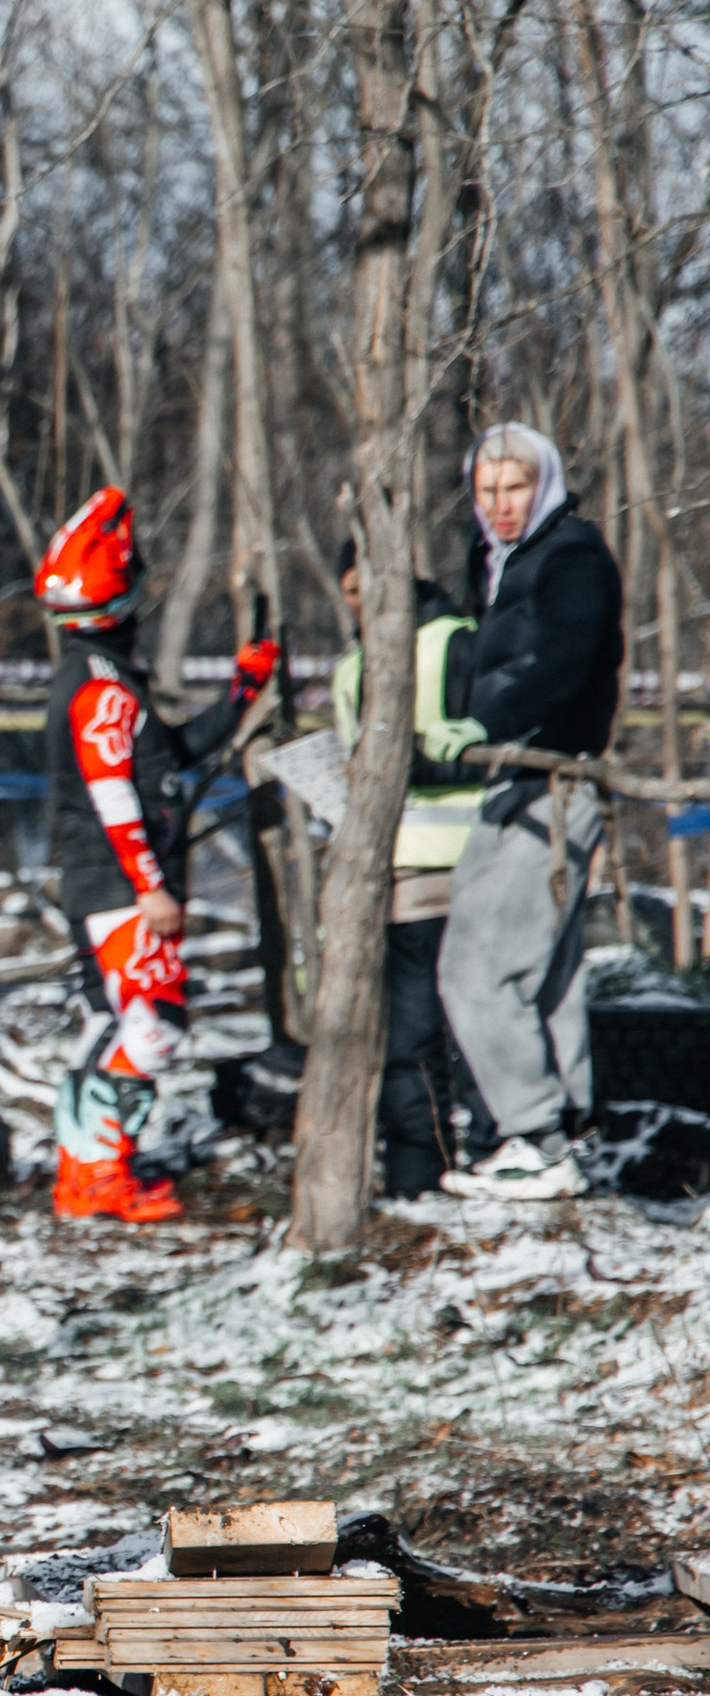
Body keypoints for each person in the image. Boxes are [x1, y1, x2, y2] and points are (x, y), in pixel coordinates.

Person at [37, 488, 279, 1223]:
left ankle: (85, 1174)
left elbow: (166, 759)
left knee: (112, 1024)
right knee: (153, 1024)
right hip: (118, 888)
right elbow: (116, 796)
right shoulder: (101, 692)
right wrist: (151, 887)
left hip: (107, 885)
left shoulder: (105, 684)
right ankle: (102, 1173)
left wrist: (241, 695)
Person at [435, 422, 624, 1200]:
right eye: (487, 491)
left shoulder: (571, 552)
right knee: (545, 973)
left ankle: (535, 1136)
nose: (501, 505)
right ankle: (568, 1132)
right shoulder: (502, 563)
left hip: (548, 778)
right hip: (517, 780)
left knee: (475, 968)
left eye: (515, 487)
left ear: (543, 483)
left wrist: (490, 720)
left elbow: (564, 659)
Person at [329, 546, 483, 1198]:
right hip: (401, 878)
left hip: (473, 865)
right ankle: (419, 1180)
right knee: (413, 1039)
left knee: (476, 1030)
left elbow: (489, 750)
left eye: (367, 587)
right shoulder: (351, 670)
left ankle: (492, 1165)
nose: (358, 604)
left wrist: (408, 765)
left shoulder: (458, 643)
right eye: (350, 591)